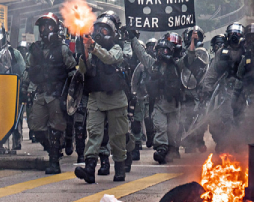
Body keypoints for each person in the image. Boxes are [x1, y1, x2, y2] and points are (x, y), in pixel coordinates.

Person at [74, 16, 129, 183]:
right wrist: (84, 51)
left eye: (103, 30)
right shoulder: (93, 50)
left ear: (112, 33)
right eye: (96, 29)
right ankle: (90, 168)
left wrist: (93, 47)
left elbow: (110, 58)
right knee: (94, 133)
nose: (98, 33)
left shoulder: (117, 48)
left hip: (115, 99)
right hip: (96, 98)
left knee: (117, 136)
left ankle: (119, 167)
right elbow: (84, 69)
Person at [130, 31, 195, 164]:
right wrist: (133, 39)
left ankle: (172, 148)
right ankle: (161, 149)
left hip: (174, 106)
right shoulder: (153, 65)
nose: (162, 53)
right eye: (159, 50)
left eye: (165, 50)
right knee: (161, 128)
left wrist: (192, 41)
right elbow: (141, 54)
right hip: (159, 104)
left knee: (174, 129)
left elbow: (189, 56)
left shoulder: (177, 65)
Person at [26, 13, 76, 174]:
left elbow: (72, 72)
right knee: (36, 128)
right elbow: (29, 70)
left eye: (49, 26)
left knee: (56, 128)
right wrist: (26, 89)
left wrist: (70, 96)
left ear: (55, 28)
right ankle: (53, 151)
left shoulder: (62, 49)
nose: (45, 29)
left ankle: (54, 162)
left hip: (56, 93)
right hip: (40, 93)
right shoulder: (35, 49)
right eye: (42, 26)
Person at [200, 22, 248, 154]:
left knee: (243, 118)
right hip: (225, 91)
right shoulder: (221, 53)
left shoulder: (247, 52)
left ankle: (239, 145)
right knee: (224, 119)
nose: (234, 36)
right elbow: (212, 73)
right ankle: (225, 144)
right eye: (232, 34)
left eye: (237, 34)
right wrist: (207, 90)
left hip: (243, 92)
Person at [180, 26, 210, 153]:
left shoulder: (203, 52)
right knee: (186, 117)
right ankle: (189, 143)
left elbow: (203, 66)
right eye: (191, 36)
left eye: (197, 36)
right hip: (185, 90)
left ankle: (199, 139)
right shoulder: (183, 53)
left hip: (200, 89)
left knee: (201, 118)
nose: (193, 38)